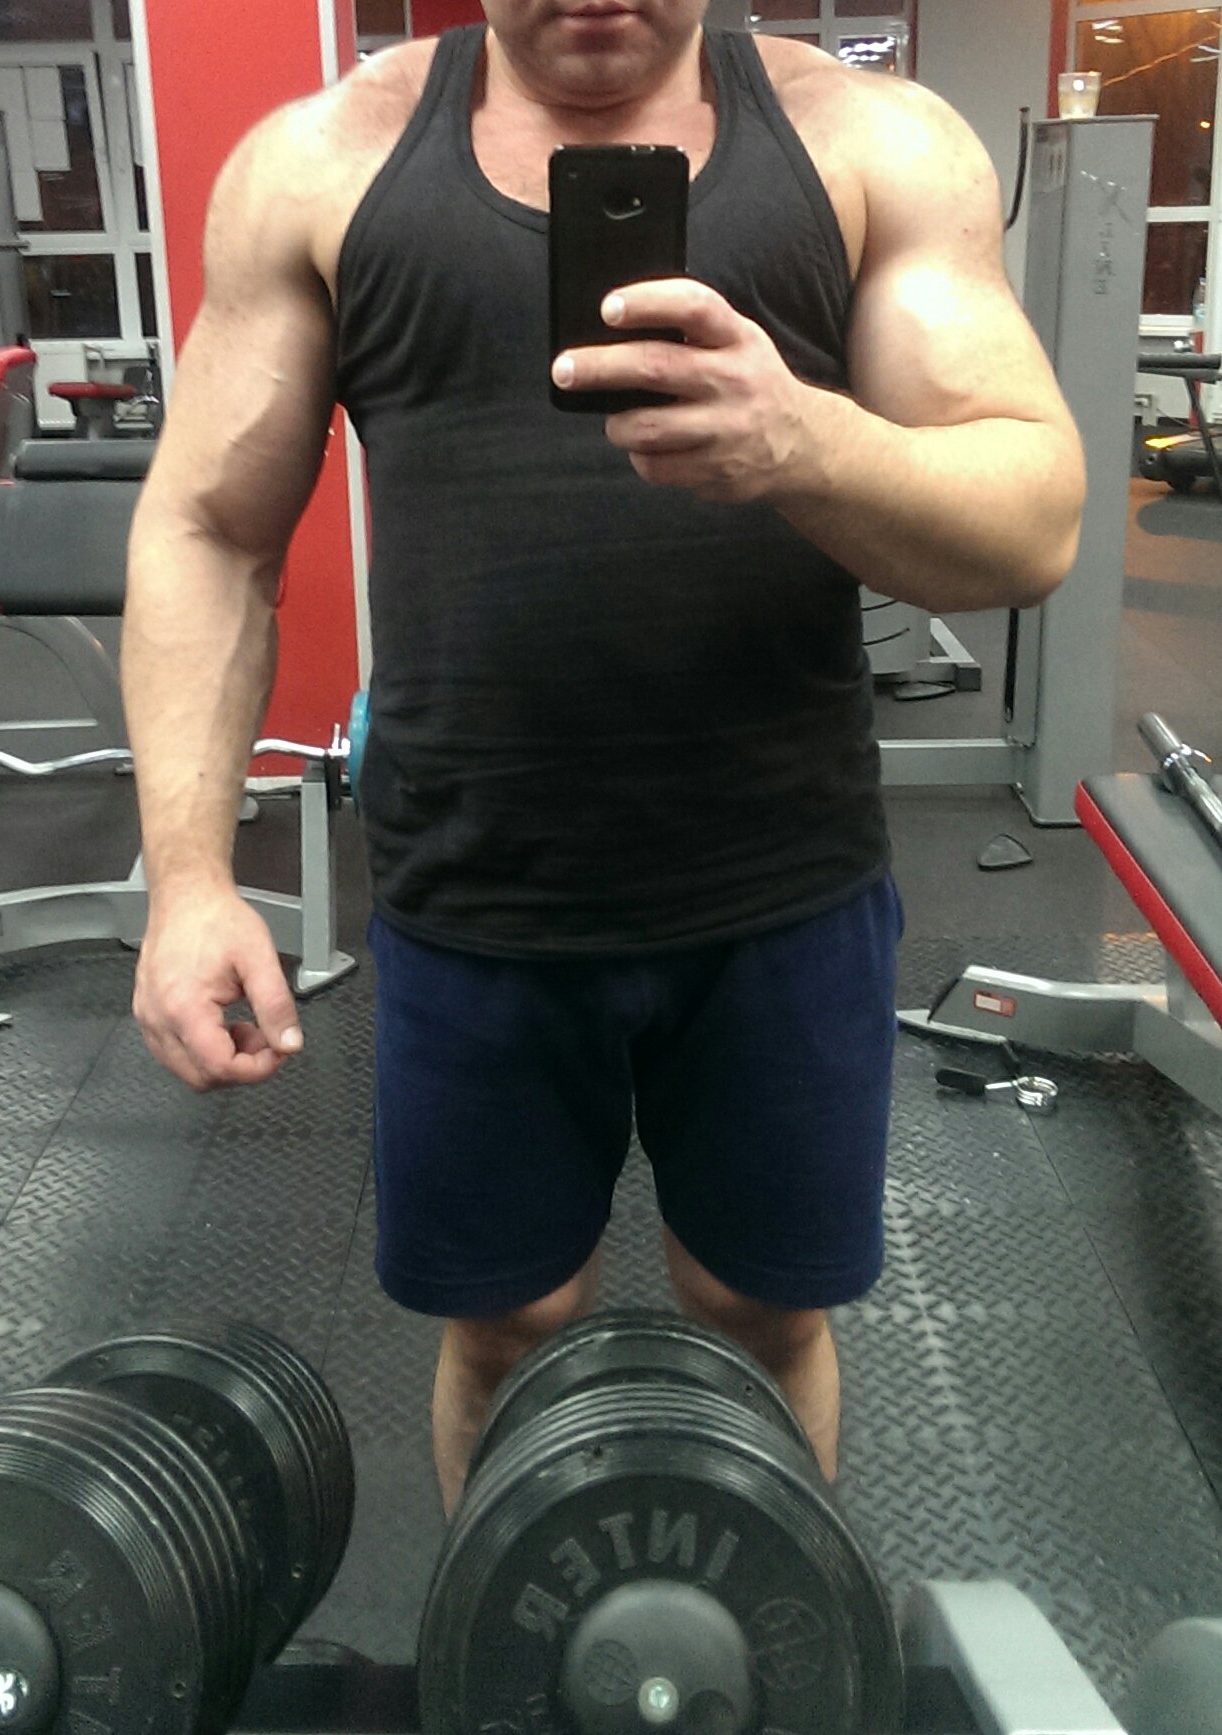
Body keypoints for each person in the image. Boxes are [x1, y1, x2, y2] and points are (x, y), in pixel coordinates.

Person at [122, 0, 1085, 1512]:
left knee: (765, 1316)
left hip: (782, 884)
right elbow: (207, 530)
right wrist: (187, 879)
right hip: (475, 891)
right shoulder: (320, 164)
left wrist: (807, 442)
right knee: (506, 1327)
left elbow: (1034, 521)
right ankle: (490, 1626)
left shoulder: (873, 143)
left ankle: (781, 1624)